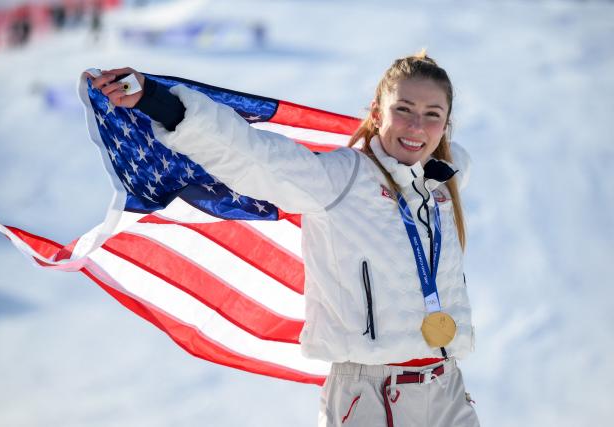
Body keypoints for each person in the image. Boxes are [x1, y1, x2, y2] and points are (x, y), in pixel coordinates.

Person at [88, 51, 480, 427]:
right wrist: (158, 101)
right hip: (372, 397)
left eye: (432, 115)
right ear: (377, 113)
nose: (416, 127)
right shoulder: (341, 179)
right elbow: (256, 156)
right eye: (404, 109)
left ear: (445, 126)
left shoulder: (446, 188)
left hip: (447, 390)